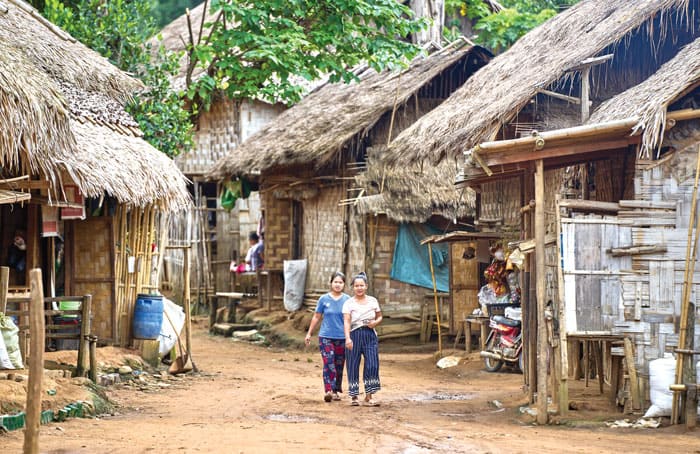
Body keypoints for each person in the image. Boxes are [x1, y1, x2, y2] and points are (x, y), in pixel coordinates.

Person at [305, 271, 350, 402]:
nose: (337, 285)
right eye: (335, 282)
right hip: (326, 337)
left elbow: (350, 319)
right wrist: (309, 333)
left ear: (344, 284)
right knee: (329, 362)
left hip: (342, 337)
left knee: (339, 365)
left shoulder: (347, 300)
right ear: (331, 283)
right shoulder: (323, 299)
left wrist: (350, 336)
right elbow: (316, 316)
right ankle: (328, 390)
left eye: (340, 282)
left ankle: (336, 390)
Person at [343, 272, 382, 407]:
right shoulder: (348, 303)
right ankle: (354, 396)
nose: (359, 288)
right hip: (354, 334)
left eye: (362, 285)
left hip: (370, 334)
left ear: (366, 286)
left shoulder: (373, 301)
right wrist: (347, 338)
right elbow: (347, 321)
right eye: (356, 285)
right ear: (353, 287)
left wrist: (375, 323)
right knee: (353, 364)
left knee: (372, 363)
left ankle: (369, 396)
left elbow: (380, 316)